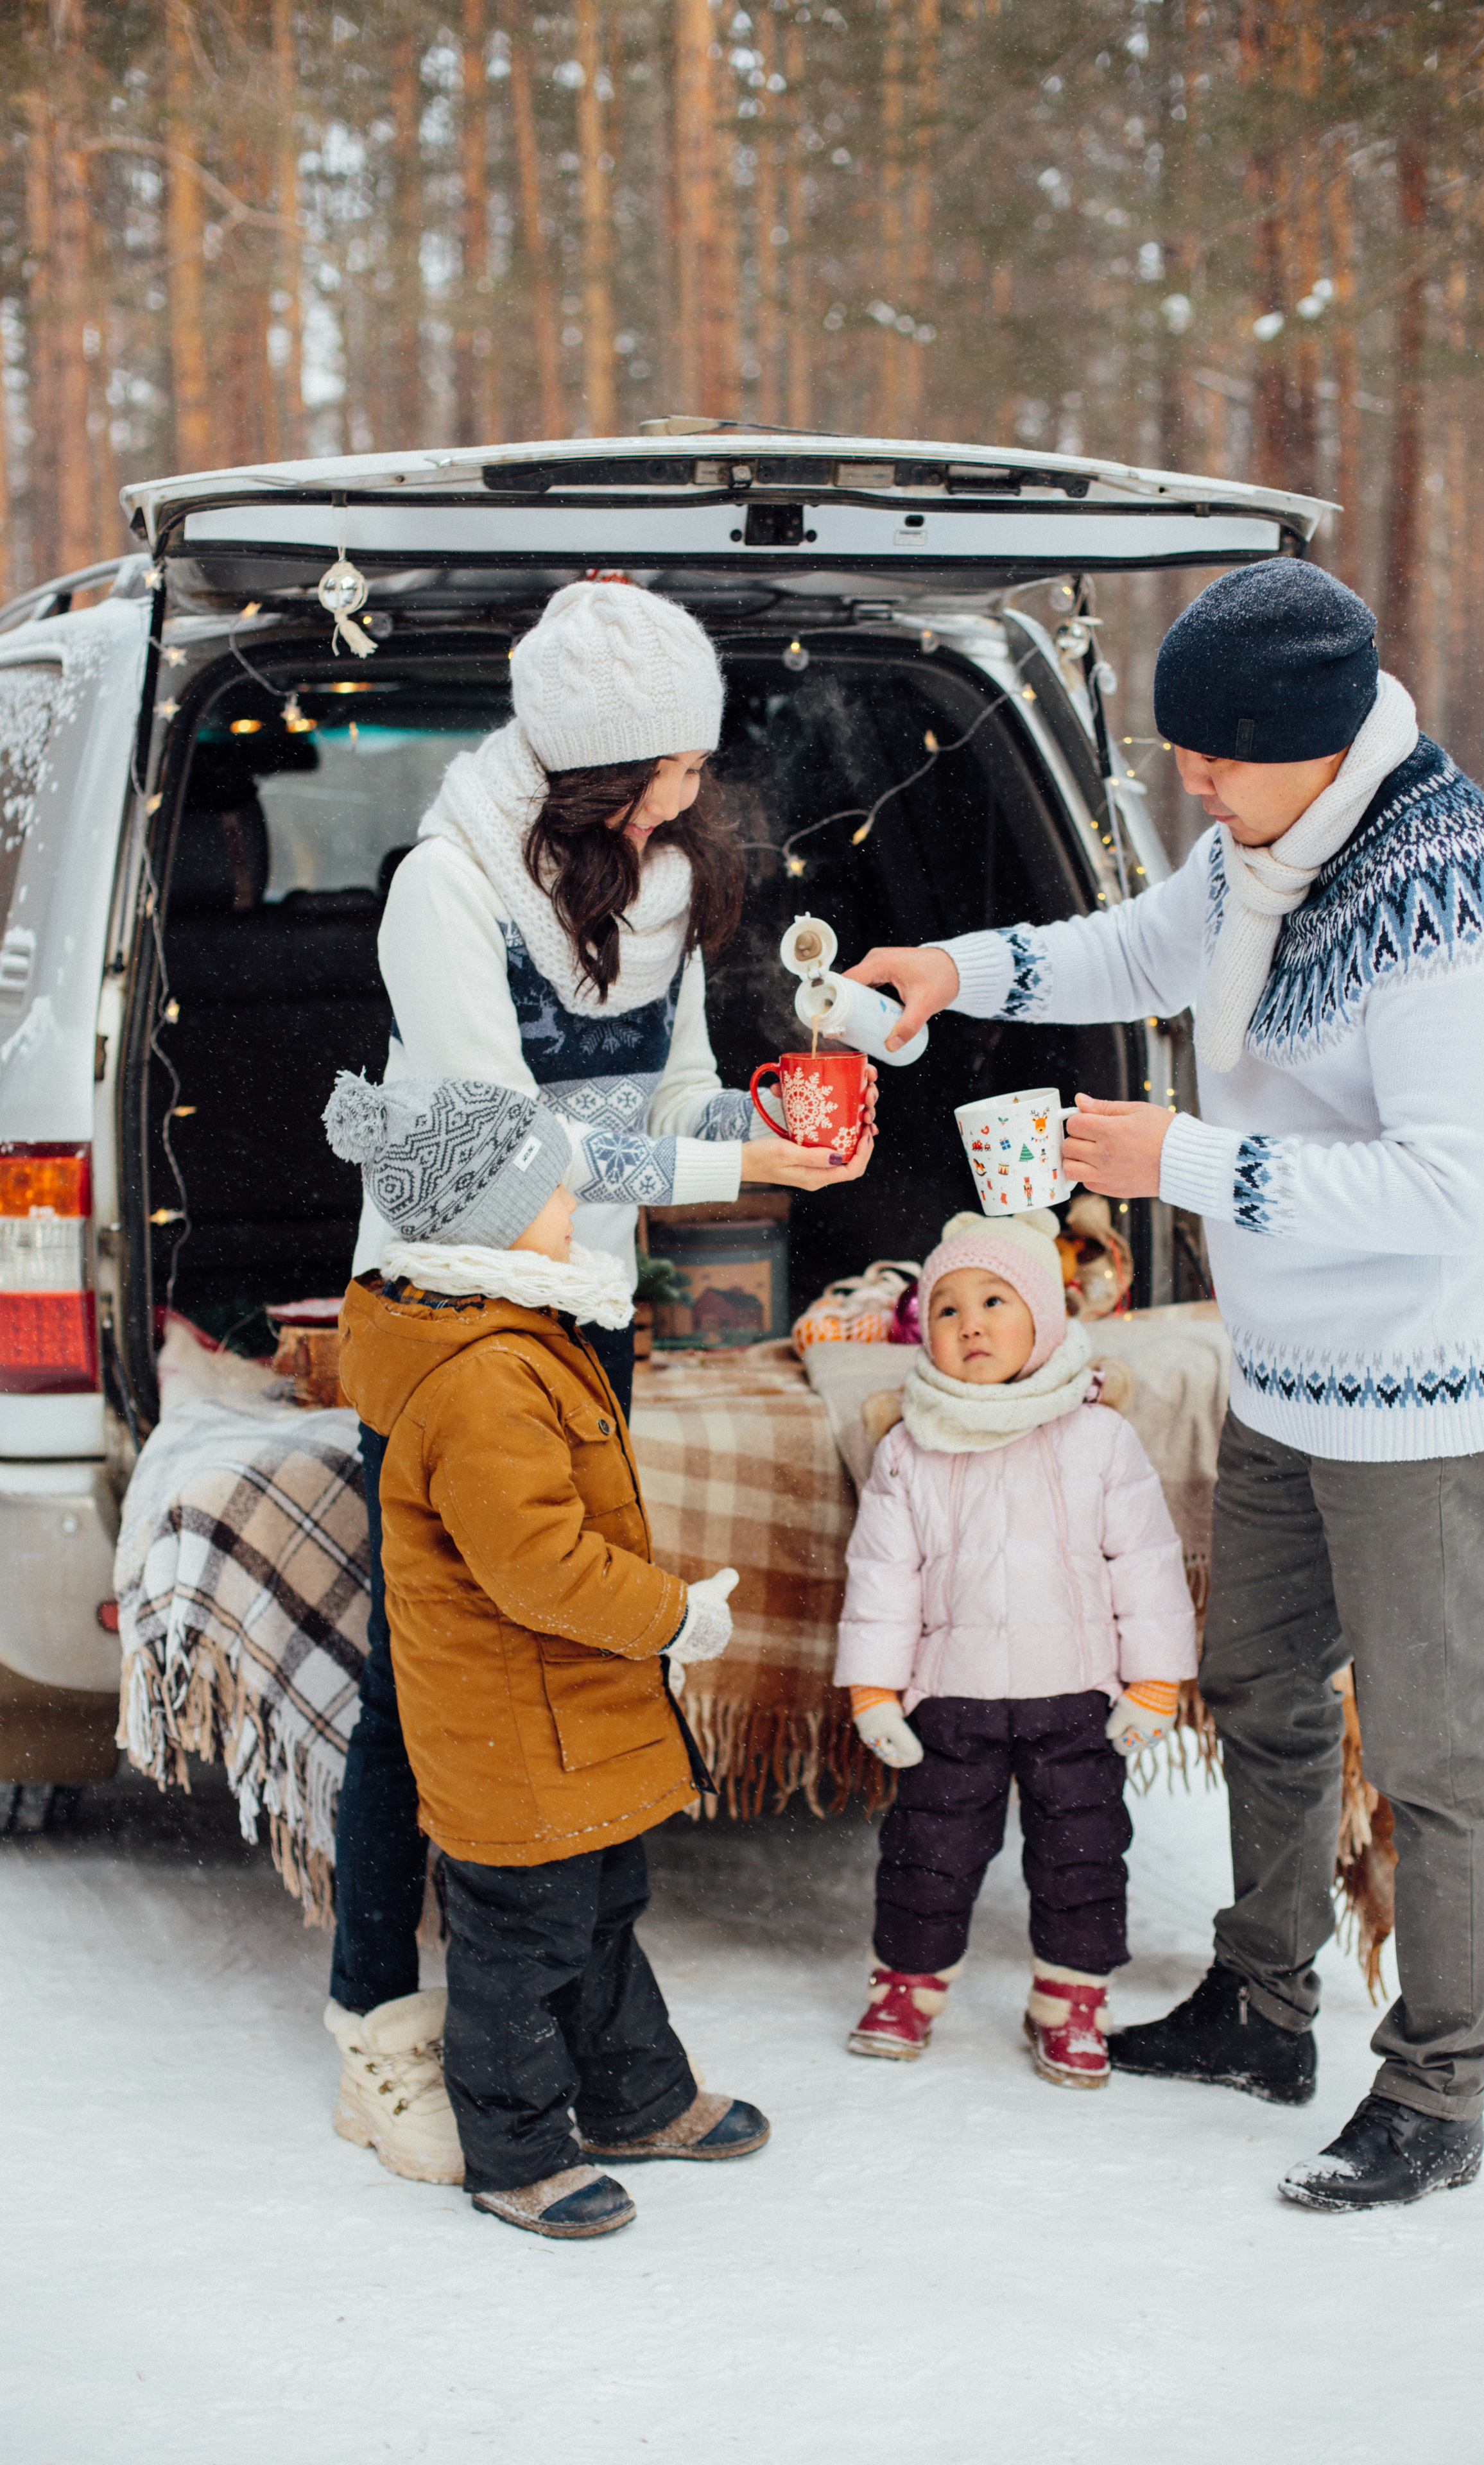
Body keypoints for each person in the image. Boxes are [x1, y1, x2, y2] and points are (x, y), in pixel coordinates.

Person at [845, 559, 1484, 2210]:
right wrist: (953, 970)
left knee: (1436, 1754)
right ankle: (1260, 1998)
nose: (1191, 787)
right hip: (1284, 1372)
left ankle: (1436, 2094)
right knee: (1259, 1689)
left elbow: (1449, 1189)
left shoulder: (1457, 895)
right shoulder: (1258, 842)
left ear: (1314, 742)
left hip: (1424, 1393)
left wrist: (1187, 1163)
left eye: (1214, 759)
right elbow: (1135, 946)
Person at [325, 581, 874, 2181]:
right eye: (681, 764)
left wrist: (759, 1143)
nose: (704, 787)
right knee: (417, 1682)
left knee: (574, 1643)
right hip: (451, 1294)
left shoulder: (664, 871)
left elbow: (684, 1091)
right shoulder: (443, 893)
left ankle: (598, 2044)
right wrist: (696, 1159)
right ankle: (380, 2027)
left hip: (587, 1306)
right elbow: (497, 1155)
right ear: (601, 770)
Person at [322, 1069, 769, 2240]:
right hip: (510, 1722)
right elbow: (540, 1569)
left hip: (565, 1708)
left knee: (604, 1896)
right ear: (492, 1218)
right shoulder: (479, 1378)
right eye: (557, 1190)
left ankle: (634, 2096)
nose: (576, 1205)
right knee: (521, 1935)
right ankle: (515, 2148)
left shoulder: (517, 1332)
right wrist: (674, 1616)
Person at [834, 1209, 1197, 2084]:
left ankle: (1071, 1997)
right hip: (950, 1697)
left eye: (995, 1301)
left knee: (1081, 1853)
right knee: (929, 1850)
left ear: (1045, 1317)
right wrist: (873, 1693)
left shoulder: (1098, 1436)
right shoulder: (911, 1445)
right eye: (948, 1309)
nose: (971, 1325)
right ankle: (906, 1984)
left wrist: (1154, 1681)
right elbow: (884, 1577)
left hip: (1073, 1694)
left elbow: (1144, 1562)